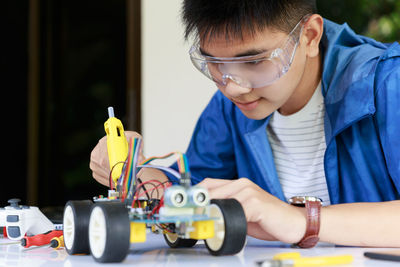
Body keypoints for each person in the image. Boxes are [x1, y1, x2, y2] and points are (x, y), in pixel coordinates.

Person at [90, 0, 400, 248]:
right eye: (215, 62)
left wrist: (299, 220)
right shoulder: (231, 108)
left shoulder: (387, 84)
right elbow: (195, 190)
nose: (234, 86)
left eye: (253, 61)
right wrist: (135, 172)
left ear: (309, 37)